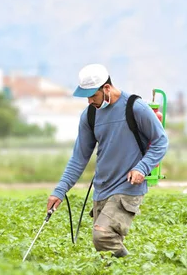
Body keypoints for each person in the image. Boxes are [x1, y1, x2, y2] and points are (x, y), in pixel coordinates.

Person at [46, 63, 169, 258]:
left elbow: (161, 141)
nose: (89, 101)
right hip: (102, 187)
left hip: (128, 186)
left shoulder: (135, 107)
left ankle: (131, 270)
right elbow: (79, 158)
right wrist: (60, 191)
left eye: (93, 96)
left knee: (102, 236)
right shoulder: (90, 115)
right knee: (105, 248)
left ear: (107, 88)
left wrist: (142, 168)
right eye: (87, 96)